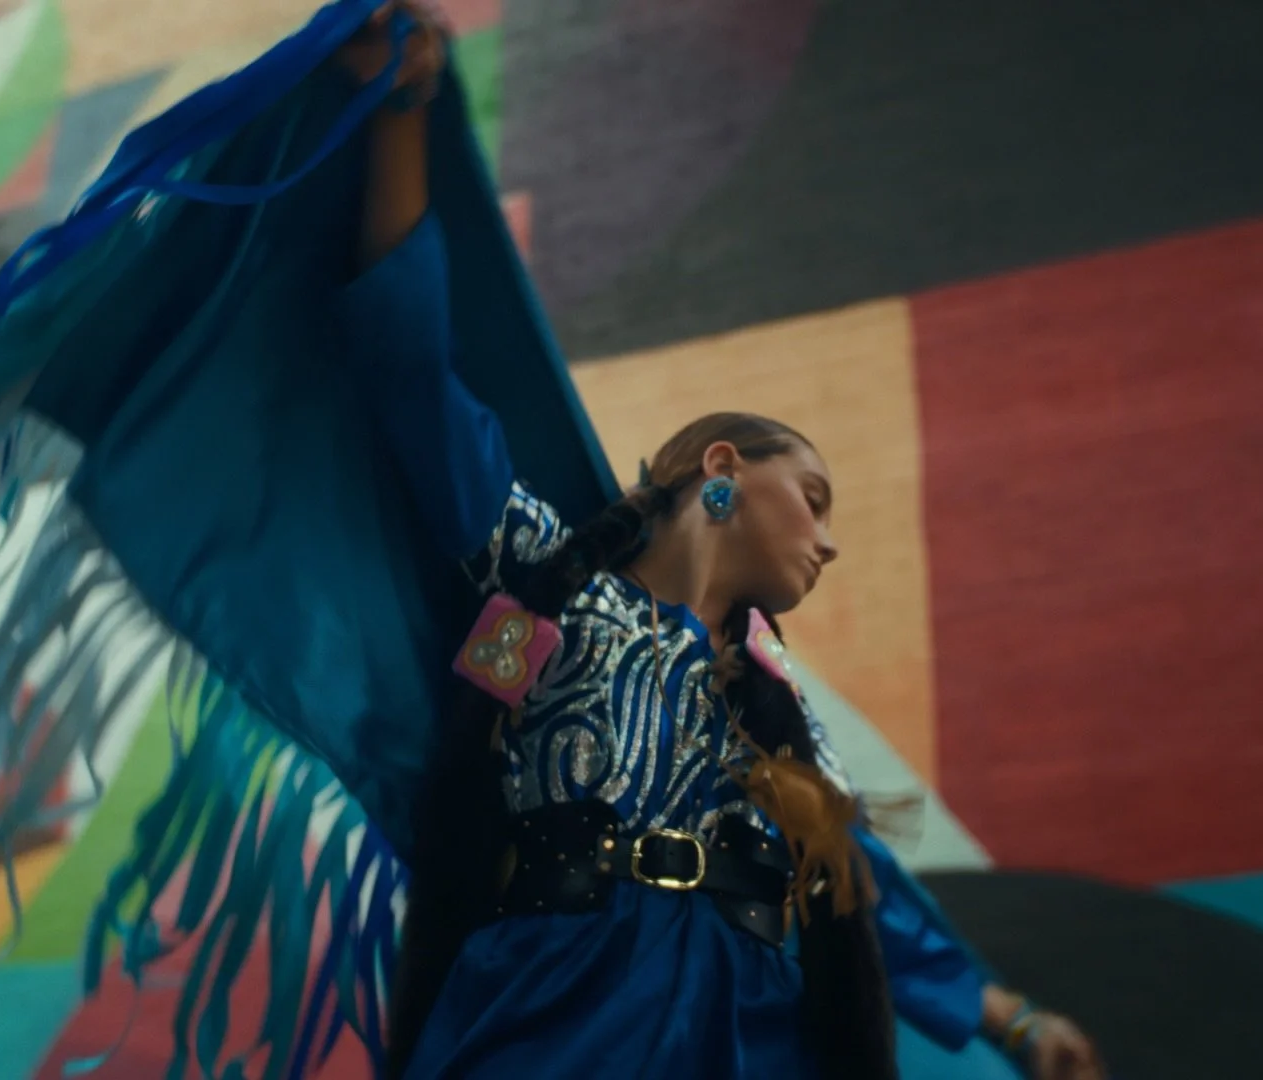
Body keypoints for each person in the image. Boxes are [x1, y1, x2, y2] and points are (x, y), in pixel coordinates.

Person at [333, 6, 1107, 1078]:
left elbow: (862, 887)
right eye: (815, 498)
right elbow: (410, 373)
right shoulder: (545, 584)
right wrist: (399, 117)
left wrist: (1013, 1022)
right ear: (723, 470)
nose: (828, 543)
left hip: (746, 1034)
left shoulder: (776, 716)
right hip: (558, 1012)